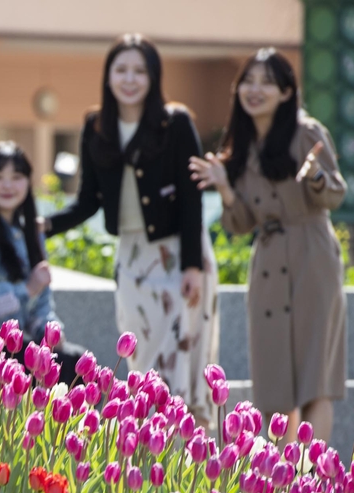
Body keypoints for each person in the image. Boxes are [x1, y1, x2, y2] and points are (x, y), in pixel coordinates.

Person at [44, 34, 218, 426]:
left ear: (154, 77)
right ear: (108, 77)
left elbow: (192, 199)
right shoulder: (96, 126)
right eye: (121, 70)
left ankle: (184, 454)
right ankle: (150, 454)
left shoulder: (175, 123)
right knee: (141, 355)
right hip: (132, 259)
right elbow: (88, 199)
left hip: (179, 256)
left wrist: (192, 266)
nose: (130, 79)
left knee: (180, 355)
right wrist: (46, 226)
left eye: (140, 71)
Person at [190, 49, 345, 443]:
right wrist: (224, 186)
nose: (254, 90)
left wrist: (314, 179)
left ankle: (313, 486)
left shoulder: (305, 131)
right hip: (267, 262)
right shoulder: (240, 146)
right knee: (274, 386)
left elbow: (335, 194)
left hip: (312, 255)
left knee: (315, 381)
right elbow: (240, 225)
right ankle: (278, 487)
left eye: (266, 82)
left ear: (286, 91)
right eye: (248, 80)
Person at [0, 141, 86, 383]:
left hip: (23, 345)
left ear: (28, 182)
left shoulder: (31, 233)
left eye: (17, 176)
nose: (7, 185)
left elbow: (41, 306)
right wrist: (26, 288)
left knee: (75, 362)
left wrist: (50, 331)